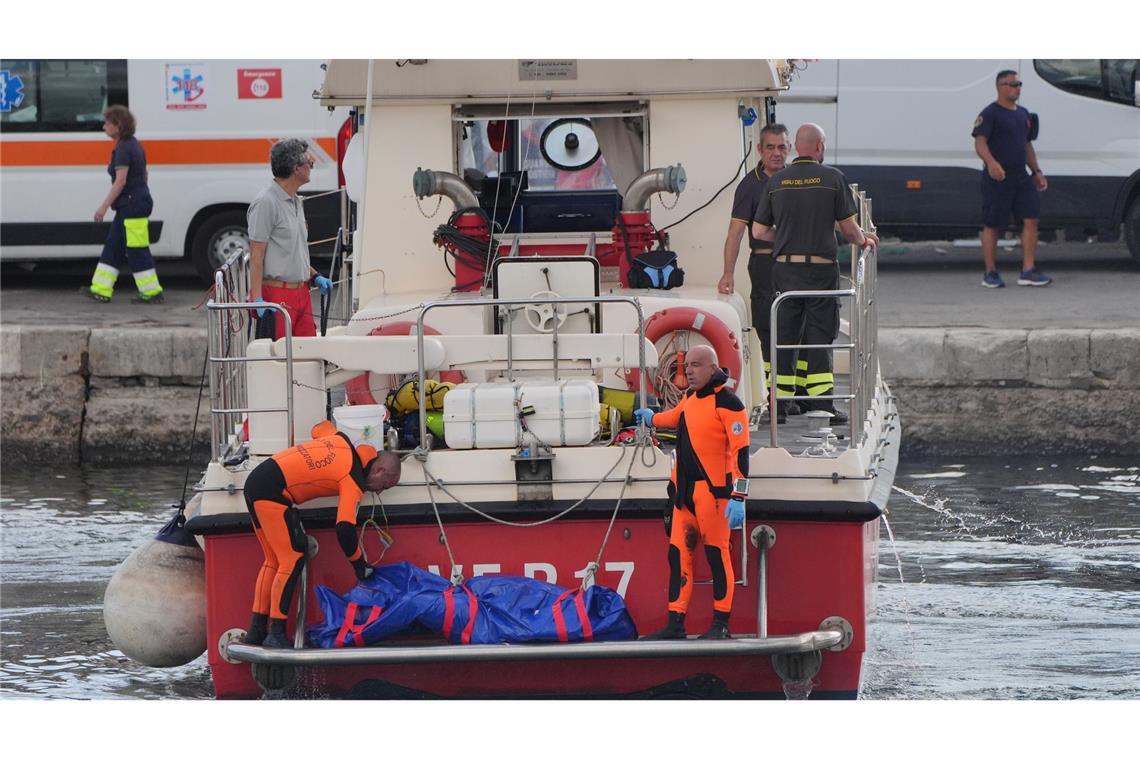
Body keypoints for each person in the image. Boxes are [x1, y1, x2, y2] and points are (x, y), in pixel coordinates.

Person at [752, 123, 879, 424]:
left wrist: (785, 239)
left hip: (785, 269)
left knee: (785, 335)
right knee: (819, 334)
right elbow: (849, 229)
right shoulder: (833, 179)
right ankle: (821, 404)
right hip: (821, 270)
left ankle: (779, 406)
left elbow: (758, 231)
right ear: (819, 147)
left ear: (795, 148)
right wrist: (865, 240)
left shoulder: (778, 181)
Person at [241, 420, 402, 648]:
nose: (379, 491)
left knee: (273, 561)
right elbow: (344, 528)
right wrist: (359, 565)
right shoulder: (352, 480)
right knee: (291, 558)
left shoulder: (339, 439)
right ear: (378, 470)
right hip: (274, 492)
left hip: (257, 480)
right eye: (384, 485)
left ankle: (256, 632)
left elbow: (319, 428)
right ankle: (275, 634)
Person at [633, 344, 750, 640]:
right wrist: (650, 418)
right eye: (688, 367)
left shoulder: (729, 404)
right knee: (678, 557)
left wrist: (739, 497)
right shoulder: (690, 399)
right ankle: (675, 624)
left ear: (713, 368)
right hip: (683, 496)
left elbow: (741, 453)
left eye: (696, 365)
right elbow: (672, 418)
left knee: (716, 555)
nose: (689, 371)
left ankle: (720, 624)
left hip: (714, 496)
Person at [719, 124, 801, 411]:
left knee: (798, 325)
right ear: (759, 149)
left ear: (790, 149)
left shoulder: (798, 179)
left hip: (798, 265)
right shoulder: (749, 185)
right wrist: (728, 272)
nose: (777, 153)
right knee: (768, 327)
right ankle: (776, 397)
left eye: (782, 147)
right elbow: (735, 232)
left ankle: (796, 393)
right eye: (770, 147)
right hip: (765, 265)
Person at [972, 70, 1052, 288]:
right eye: (1013, 84)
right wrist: (992, 163)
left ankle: (1028, 270)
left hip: (1021, 176)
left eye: (1019, 84)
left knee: (1031, 218)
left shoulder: (1023, 114)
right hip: (998, 177)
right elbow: (980, 142)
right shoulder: (990, 114)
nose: (1017, 88)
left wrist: (1036, 171)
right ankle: (990, 273)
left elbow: (1027, 145)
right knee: (993, 223)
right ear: (1000, 87)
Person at [248, 138, 332, 339]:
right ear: (296, 168)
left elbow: (294, 251)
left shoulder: (296, 201)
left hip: (302, 293)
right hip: (278, 296)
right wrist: (257, 299)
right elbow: (256, 255)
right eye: (309, 163)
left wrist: (314, 275)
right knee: (278, 360)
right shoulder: (266, 203)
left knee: (309, 357)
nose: (312, 167)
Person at [85, 105, 164, 304]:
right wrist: (138, 194)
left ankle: (152, 292)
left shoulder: (123, 148)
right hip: (133, 204)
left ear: (117, 125)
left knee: (137, 250)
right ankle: (101, 289)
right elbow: (144, 174)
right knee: (113, 246)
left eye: (107, 123)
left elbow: (120, 181)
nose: (104, 127)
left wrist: (103, 206)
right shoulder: (134, 145)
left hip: (132, 206)